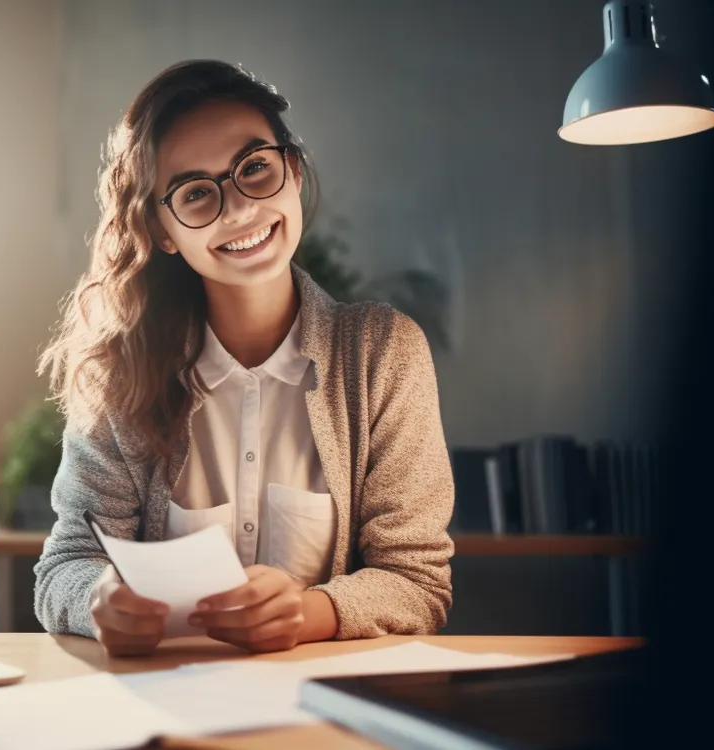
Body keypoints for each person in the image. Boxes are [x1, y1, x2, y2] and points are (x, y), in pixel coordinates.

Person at [33, 59, 454, 657]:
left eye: (255, 168)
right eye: (196, 192)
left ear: (294, 171)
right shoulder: (120, 375)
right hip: (164, 706)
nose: (237, 210)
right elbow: (66, 564)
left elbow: (418, 582)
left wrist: (313, 612)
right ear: (162, 231)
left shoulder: (383, 352)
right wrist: (99, 598)